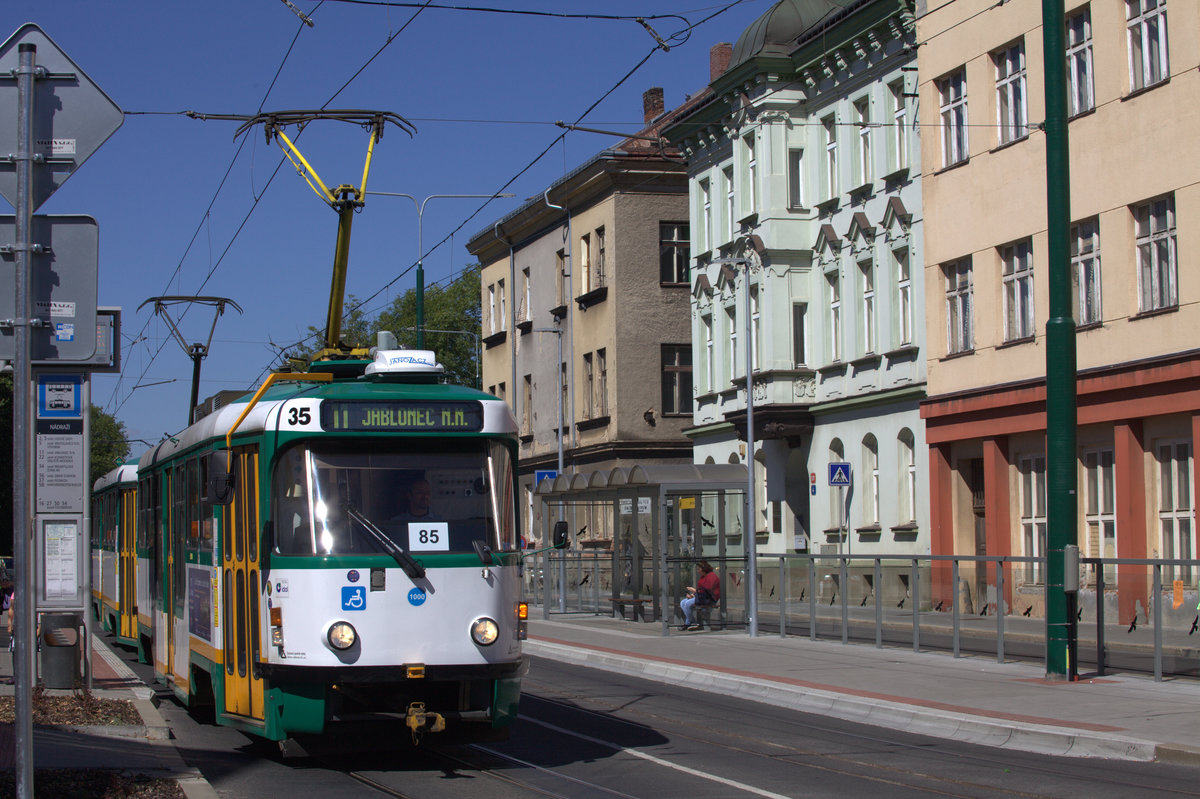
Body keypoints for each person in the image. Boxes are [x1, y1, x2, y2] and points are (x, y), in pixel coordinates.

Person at [680, 560, 720, 631]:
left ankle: (690, 622)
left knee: (687, 603)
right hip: (702, 597)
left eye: (699, 569)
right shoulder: (702, 577)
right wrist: (693, 595)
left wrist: (695, 591)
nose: (698, 571)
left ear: (704, 569)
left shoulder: (711, 576)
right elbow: (700, 591)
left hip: (709, 599)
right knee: (682, 602)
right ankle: (690, 621)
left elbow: (707, 591)